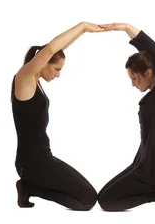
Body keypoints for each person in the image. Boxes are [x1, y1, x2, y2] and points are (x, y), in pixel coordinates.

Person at [9, 22, 102, 211]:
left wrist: (81, 35)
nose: (58, 75)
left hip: (44, 158)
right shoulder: (24, 78)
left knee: (89, 197)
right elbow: (51, 48)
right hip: (31, 163)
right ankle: (28, 187)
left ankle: (29, 186)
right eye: (57, 69)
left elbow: (56, 50)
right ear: (44, 63)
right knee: (87, 201)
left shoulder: (36, 82)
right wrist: (83, 26)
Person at [95, 23, 155, 213]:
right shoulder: (154, 94)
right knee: (103, 196)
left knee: (107, 202)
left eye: (135, 78)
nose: (133, 84)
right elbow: (149, 55)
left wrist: (125, 27)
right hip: (143, 162)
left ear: (148, 73)